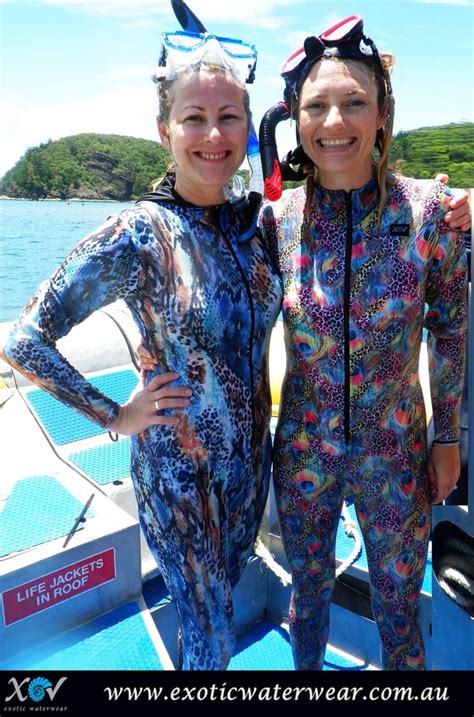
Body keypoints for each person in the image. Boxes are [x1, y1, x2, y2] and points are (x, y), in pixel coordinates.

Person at [1, 31, 282, 670]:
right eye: (195, 118)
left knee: (213, 627)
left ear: (246, 127)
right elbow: (25, 338)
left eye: (228, 117)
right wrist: (115, 415)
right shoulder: (137, 233)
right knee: (213, 638)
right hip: (179, 478)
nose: (214, 134)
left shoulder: (254, 225)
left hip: (245, 477)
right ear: (164, 131)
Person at [256, 16, 468, 671]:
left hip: (398, 455)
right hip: (302, 454)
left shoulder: (432, 211)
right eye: (316, 106)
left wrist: (449, 437)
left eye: (354, 102)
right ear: (296, 119)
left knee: (402, 615)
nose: (335, 120)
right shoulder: (277, 222)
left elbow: (451, 330)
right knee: (308, 603)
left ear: (382, 115)